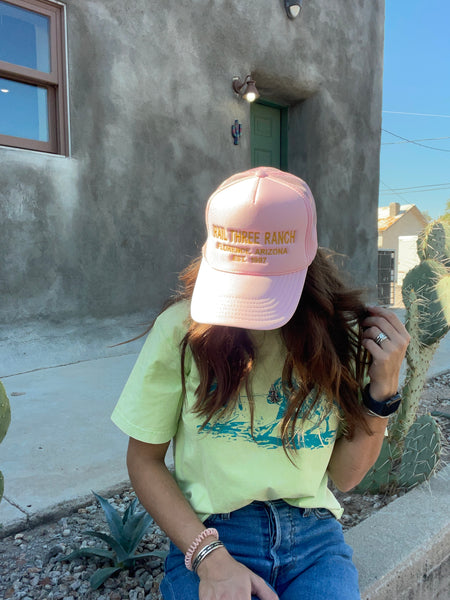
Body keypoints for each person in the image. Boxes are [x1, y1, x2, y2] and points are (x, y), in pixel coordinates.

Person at [111, 167, 409, 600]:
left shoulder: (341, 336)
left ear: (307, 258)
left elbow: (346, 477)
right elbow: (144, 460)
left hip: (314, 543)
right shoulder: (181, 331)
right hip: (214, 534)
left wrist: (382, 391)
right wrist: (208, 556)